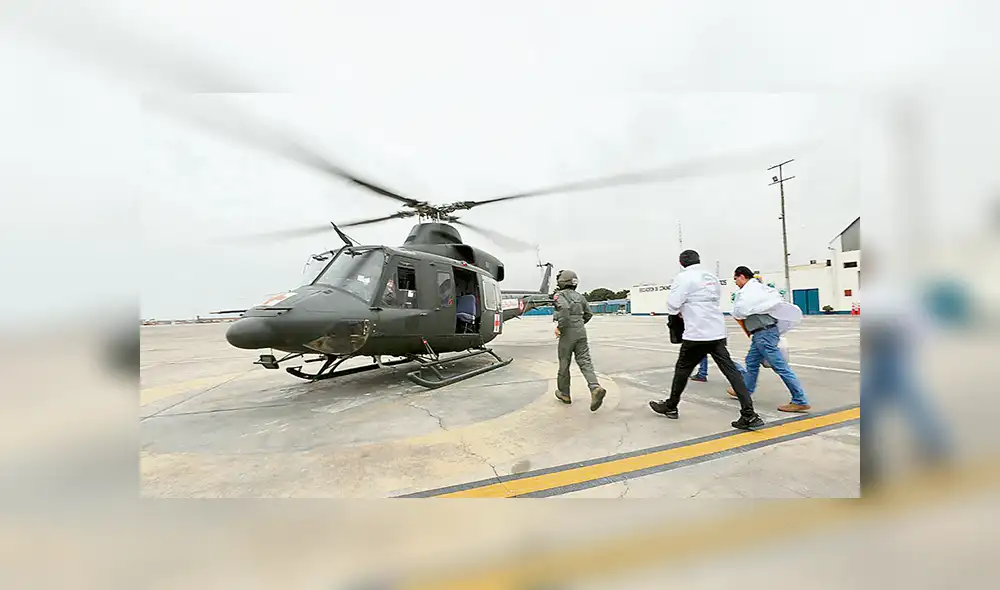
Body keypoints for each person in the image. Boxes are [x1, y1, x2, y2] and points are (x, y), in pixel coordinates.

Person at [649, 250, 764, 430]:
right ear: (698, 260)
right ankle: (749, 414)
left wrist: (680, 312)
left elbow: (672, 305)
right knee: (731, 372)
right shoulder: (711, 277)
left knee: (682, 370)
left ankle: (671, 407)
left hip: (696, 333)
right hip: (716, 331)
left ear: (681, 262)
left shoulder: (683, 278)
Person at [729, 266, 810, 412]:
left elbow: (741, 310)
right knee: (751, 362)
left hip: (764, 334)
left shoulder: (750, 292)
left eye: (735, 279)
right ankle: (745, 390)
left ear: (741, 276)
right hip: (761, 333)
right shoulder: (759, 290)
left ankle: (800, 399)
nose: (735, 283)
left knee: (780, 367)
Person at [552, 269, 607, 411]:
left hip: (567, 332)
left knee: (564, 362)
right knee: (585, 361)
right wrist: (579, 324)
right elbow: (589, 314)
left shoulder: (559, 295)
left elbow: (563, 310)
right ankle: (595, 387)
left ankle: (564, 394)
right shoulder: (580, 297)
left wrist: (561, 327)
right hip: (581, 331)